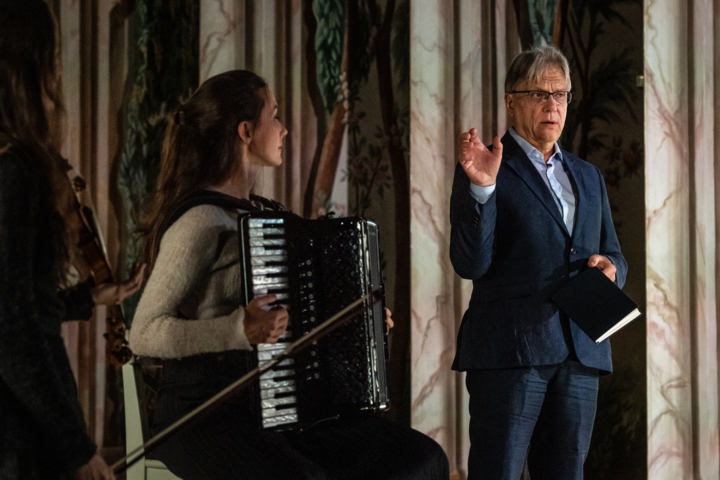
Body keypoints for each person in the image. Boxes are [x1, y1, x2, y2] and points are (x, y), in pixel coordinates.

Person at [129, 69, 449, 480]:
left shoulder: (265, 214)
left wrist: (359, 327)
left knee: (421, 460)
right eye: (275, 116)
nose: (284, 129)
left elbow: (295, 324)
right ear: (246, 131)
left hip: (277, 405)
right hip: (204, 414)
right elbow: (143, 331)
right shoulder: (200, 221)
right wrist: (237, 330)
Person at [450, 45, 628, 479]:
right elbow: (470, 263)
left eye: (561, 95)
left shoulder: (588, 175)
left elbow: (616, 254)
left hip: (581, 352)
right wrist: (483, 191)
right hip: (511, 352)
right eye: (539, 94)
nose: (552, 105)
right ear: (510, 101)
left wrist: (612, 271)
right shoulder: (488, 166)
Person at [0, 2, 144, 479]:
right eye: (53, 52)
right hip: (19, 433)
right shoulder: (14, 169)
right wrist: (77, 448)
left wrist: (87, 297)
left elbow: (18, 301)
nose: (58, 68)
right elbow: (13, 327)